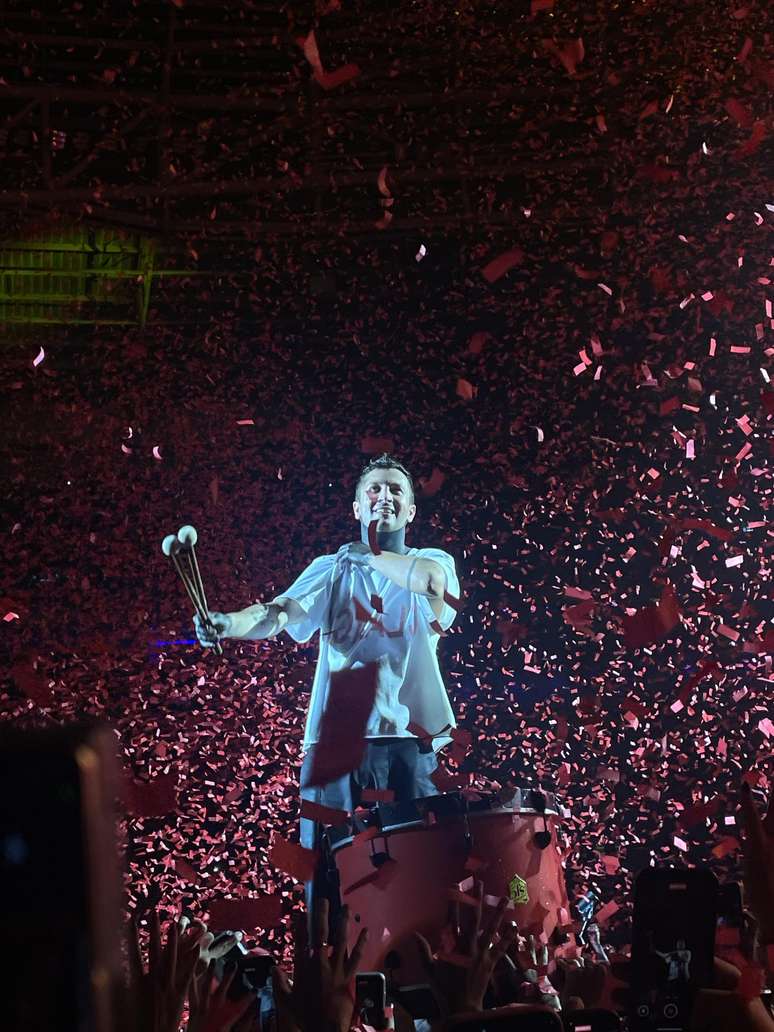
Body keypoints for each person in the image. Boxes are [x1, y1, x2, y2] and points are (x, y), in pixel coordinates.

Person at [193, 453, 460, 853]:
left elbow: (430, 584)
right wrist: (228, 624)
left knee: (417, 870)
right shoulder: (332, 568)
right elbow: (277, 614)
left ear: (411, 511)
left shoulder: (434, 560)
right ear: (356, 507)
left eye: (394, 489)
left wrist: (368, 553)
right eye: (374, 488)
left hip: (409, 741)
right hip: (336, 743)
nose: (384, 496)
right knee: (330, 869)